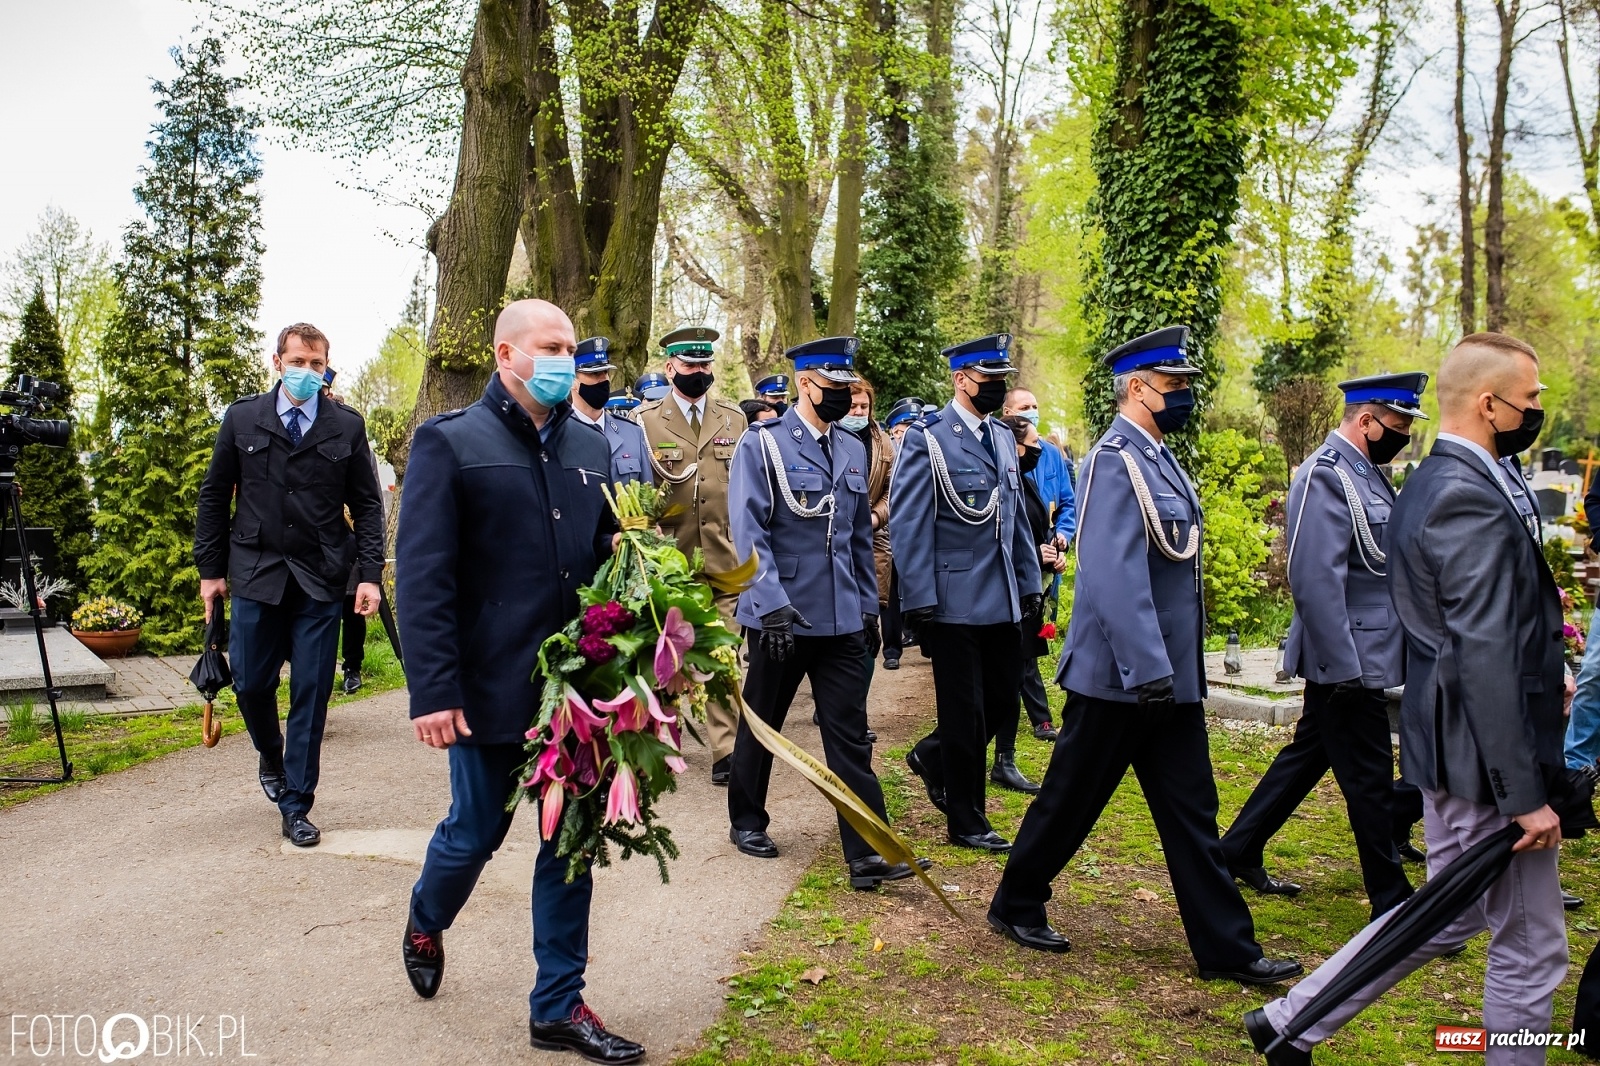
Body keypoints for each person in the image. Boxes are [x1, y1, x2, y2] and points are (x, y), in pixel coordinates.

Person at [1247, 332, 1567, 1066]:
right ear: (1490, 405)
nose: (1538, 410)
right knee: (1532, 947)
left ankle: (1291, 1022)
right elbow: (1473, 647)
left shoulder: (1436, 481)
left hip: (1456, 740)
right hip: (1481, 753)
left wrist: (1548, 666)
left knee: (1444, 918)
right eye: (1532, 401)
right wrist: (1522, 794)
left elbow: (1473, 621)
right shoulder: (1460, 493)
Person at [987, 326, 1302, 991]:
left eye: (1185, 384)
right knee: (1070, 801)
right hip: (1120, 678)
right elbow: (1111, 577)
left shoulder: (1157, 456)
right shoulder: (1112, 459)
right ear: (1137, 387)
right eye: (1174, 385)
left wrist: (1171, 672)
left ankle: (1226, 948)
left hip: (1167, 681)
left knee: (1193, 811)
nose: (1183, 395)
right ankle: (1015, 901)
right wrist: (1148, 669)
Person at [394, 299, 642, 1064]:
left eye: (572, 346)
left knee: (570, 843)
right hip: (491, 683)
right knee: (476, 831)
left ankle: (557, 1006)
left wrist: (636, 571)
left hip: (578, 688)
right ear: (507, 354)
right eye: (552, 345)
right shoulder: (449, 443)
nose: (567, 358)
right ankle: (426, 915)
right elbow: (423, 577)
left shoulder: (592, 449)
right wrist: (433, 690)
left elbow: (602, 549)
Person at [1219, 374, 1427, 920]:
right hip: (1347, 658)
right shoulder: (1325, 475)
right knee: (1370, 776)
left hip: (1368, 652)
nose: (1402, 436)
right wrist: (1342, 668)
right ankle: (1392, 898)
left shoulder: (1369, 475)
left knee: (1308, 756)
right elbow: (1314, 579)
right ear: (1366, 420)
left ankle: (1237, 849)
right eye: (1398, 426)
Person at [724, 337, 915, 887]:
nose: (842, 397)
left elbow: (856, 538)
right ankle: (747, 819)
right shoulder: (762, 446)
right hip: (781, 616)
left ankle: (868, 850)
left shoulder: (852, 450)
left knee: (850, 733)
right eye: (833, 388)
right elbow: (750, 530)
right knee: (763, 722)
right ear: (805, 385)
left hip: (839, 619)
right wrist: (771, 606)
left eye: (847, 388)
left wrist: (869, 610)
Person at [194, 323, 385, 848]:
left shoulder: (345, 426)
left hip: (321, 578)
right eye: (298, 361)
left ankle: (296, 803)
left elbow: (368, 505)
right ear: (277, 362)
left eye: (317, 364)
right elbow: (214, 497)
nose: (307, 372)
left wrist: (370, 575)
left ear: (327, 369)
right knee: (252, 683)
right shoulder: (242, 418)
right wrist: (210, 572)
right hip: (257, 572)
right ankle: (270, 755)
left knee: (311, 692)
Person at [892, 334, 1043, 852]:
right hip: (952, 599)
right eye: (988, 380)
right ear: (961, 379)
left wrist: (1028, 586)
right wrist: (919, 600)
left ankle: (933, 757)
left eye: (1002, 379)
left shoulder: (1003, 437)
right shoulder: (927, 438)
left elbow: (1016, 520)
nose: (997, 389)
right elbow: (910, 524)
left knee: (1002, 701)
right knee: (965, 712)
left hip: (1000, 594)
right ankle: (967, 820)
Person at [635, 326, 747, 785]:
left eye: (705, 364)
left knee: (724, 656)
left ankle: (728, 749)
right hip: (670, 561)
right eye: (689, 365)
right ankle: (663, 739)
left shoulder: (733, 419)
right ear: (670, 369)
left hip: (724, 557)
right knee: (666, 657)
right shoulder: (644, 421)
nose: (699, 372)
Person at [1002, 387, 1076, 742]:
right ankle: (1037, 719)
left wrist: (1060, 539)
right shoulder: (1002, 465)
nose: (1032, 412)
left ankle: (1011, 742)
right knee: (1020, 654)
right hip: (1012, 577)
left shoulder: (1051, 456)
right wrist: (1035, 550)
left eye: (1035, 406)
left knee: (1026, 650)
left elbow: (1065, 506)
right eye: (1024, 408)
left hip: (1043, 571)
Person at [841, 378, 895, 685]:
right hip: (833, 545)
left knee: (867, 630)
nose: (859, 412)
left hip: (873, 542)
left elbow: (893, 492)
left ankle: (856, 709)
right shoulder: (829, 437)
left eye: (864, 406)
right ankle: (834, 702)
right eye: (853, 406)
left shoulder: (883, 442)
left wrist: (875, 517)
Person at [568, 335, 653, 488]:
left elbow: (647, 498)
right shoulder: (558, 432)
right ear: (572, 380)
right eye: (594, 374)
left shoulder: (632, 433)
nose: (604, 380)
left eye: (605, 372)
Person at [880, 397, 925, 669]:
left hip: (919, 534)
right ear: (894, 430)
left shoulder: (928, 451)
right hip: (889, 532)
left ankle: (924, 640)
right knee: (891, 591)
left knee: (919, 586)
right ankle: (892, 650)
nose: (909, 431)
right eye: (904, 426)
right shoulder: (888, 455)